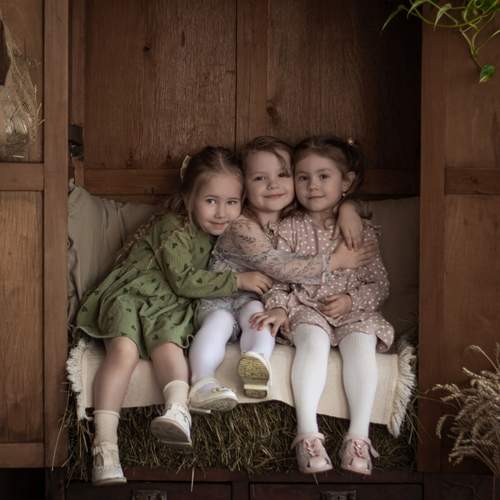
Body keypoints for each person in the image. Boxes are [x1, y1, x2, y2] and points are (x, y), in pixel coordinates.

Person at [75, 146, 272, 486]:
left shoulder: (231, 233)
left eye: (231, 202)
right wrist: (237, 280)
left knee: (168, 347)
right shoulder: (172, 226)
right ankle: (105, 446)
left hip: (169, 306)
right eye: (210, 201)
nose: (222, 212)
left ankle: (178, 409)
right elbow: (183, 280)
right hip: (132, 295)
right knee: (124, 352)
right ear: (188, 198)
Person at [188, 136, 378, 413]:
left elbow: (351, 203)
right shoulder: (242, 225)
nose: (273, 184)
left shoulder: (292, 214)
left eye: (282, 175)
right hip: (220, 296)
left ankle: (256, 364)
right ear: (244, 188)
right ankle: (201, 381)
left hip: (253, 300)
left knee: (260, 322)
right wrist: (334, 261)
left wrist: (349, 209)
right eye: (260, 178)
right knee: (219, 322)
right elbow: (278, 265)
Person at [251, 135, 394, 476]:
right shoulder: (288, 229)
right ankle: (307, 435)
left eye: (323, 176)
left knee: (361, 345)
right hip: (306, 307)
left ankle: (358, 437)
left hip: (353, 311)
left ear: (345, 182)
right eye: (303, 177)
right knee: (311, 344)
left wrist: (350, 300)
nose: (312, 185)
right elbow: (278, 279)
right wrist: (280, 307)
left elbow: (378, 283)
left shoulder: (361, 230)